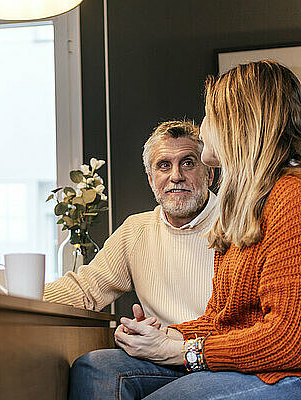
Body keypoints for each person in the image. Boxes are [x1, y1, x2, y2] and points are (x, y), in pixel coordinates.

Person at [69, 60, 301, 399]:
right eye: (164, 166)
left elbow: (289, 339)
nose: (203, 126)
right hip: (237, 359)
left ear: (240, 125)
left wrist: (181, 352)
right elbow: (221, 319)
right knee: (96, 368)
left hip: (281, 371)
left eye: (210, 116)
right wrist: (166, 334)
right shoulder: (243, 208)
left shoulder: (290, 198)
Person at [44, 120, 216, 327]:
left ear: (209, 175)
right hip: (156, 355)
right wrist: (12, 292)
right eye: (164, 166)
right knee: (92, 361)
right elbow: (86, 290)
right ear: (151, 181)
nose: (176, 176)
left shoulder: (239, 225)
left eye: (188, 163)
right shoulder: (136, 231)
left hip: (217, 352)